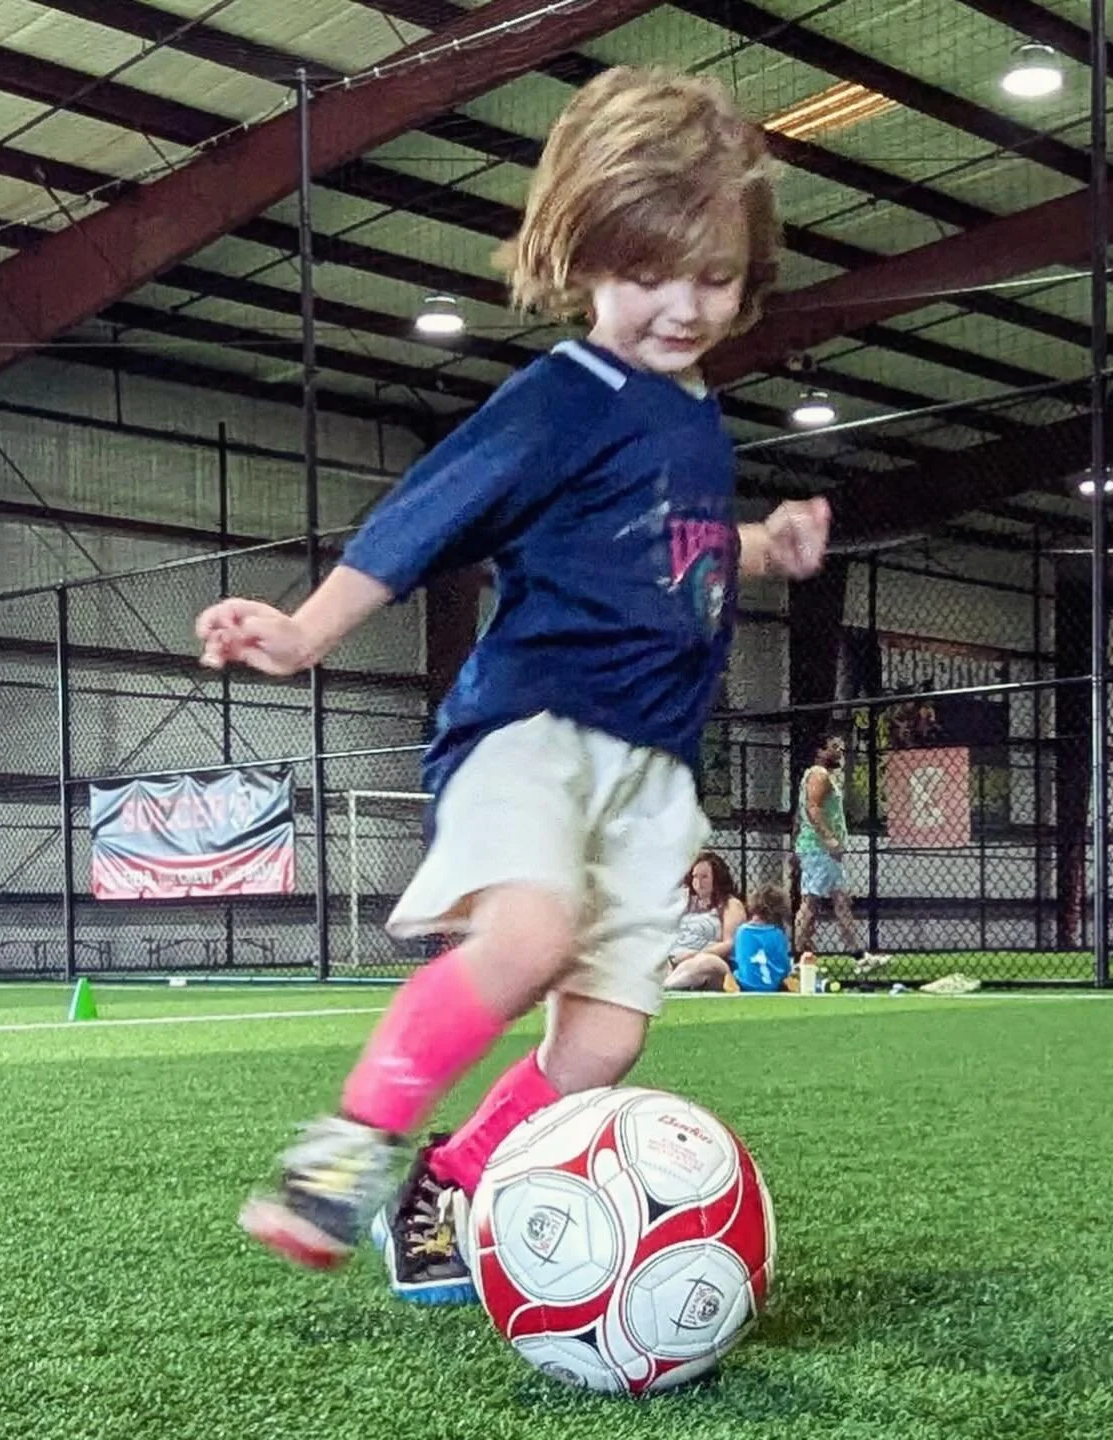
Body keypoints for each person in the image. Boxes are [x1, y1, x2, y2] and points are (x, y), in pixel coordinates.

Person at [194, 65, 832, 1286]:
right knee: (529, 936)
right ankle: (344, 1156)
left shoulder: (695, 418)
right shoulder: (559, 399)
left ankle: (452, 1182)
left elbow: (680, 549)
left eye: (715, 275)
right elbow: (423, 517)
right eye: (650, 273)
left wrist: (768, 549)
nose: (684, 307)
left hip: (653, 775)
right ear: (586, 253)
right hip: (534, 731)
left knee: (603, 1043)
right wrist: (307, 632)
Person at [793, 735, 870, 962]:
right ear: (820, 750)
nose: (839, 752)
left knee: (841, 900)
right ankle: (797, 955)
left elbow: (804, 814)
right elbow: (812, 808)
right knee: (811, 902)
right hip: (819, 850)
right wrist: (829, 840)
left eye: (841, 747)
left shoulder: (821, 776)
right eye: (834, 747)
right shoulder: (819, 775)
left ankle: (858, 954)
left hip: (819, 850)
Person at [664, 851, 745, 989]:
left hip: (707, 961)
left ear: (717, 878)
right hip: (673, 959)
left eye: (705, 877)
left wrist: (694, 955)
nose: (698, 883)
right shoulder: (686, 902)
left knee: (705, 963)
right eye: (695, 877)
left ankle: (666, 986)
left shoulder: (730, 904)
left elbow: (730, 943)